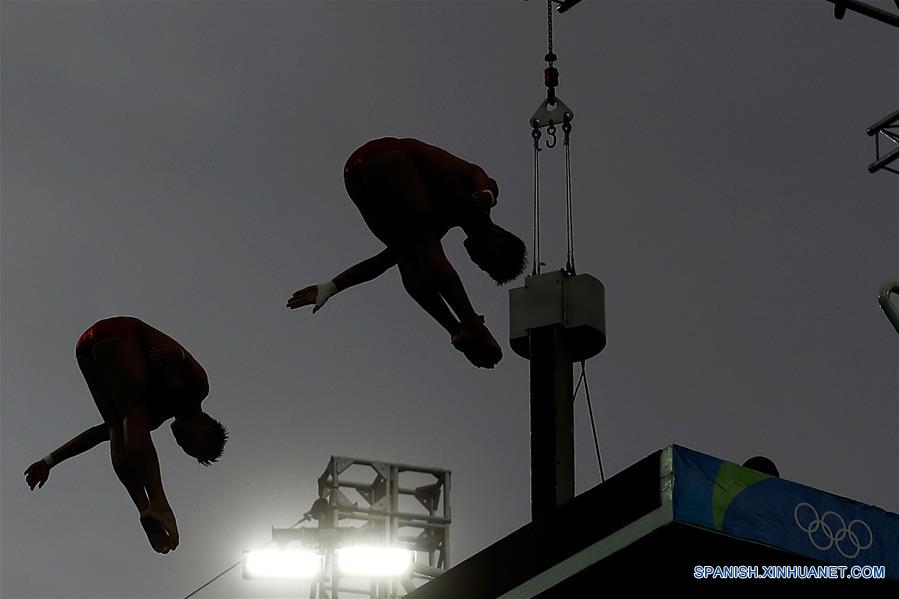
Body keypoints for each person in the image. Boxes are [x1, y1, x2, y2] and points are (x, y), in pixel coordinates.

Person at [287, 137, 527, 368]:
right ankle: (471, 326)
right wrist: (489, 195)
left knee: (407, 258)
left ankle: (458, 329)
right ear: (499, 240)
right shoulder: (471, 194)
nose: (476, 261)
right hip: (389, 160)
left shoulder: (436, 221)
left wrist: (331, 287)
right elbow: (482, 177)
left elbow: (381, 262)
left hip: (355, 176)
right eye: (485, 261)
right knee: (427, 253)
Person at [24, 316, 227, 554]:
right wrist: (179, 356)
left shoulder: (155, 416)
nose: (179, 442)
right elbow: (186, 362)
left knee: (116, 427)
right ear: (204, 426)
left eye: (184, 447)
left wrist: (49, 461)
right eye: (188, 442)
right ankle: (157, 501)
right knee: (132, 416)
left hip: (86, 349)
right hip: (121, 333)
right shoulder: (198, 389)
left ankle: (144, 506)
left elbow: (95, 435)